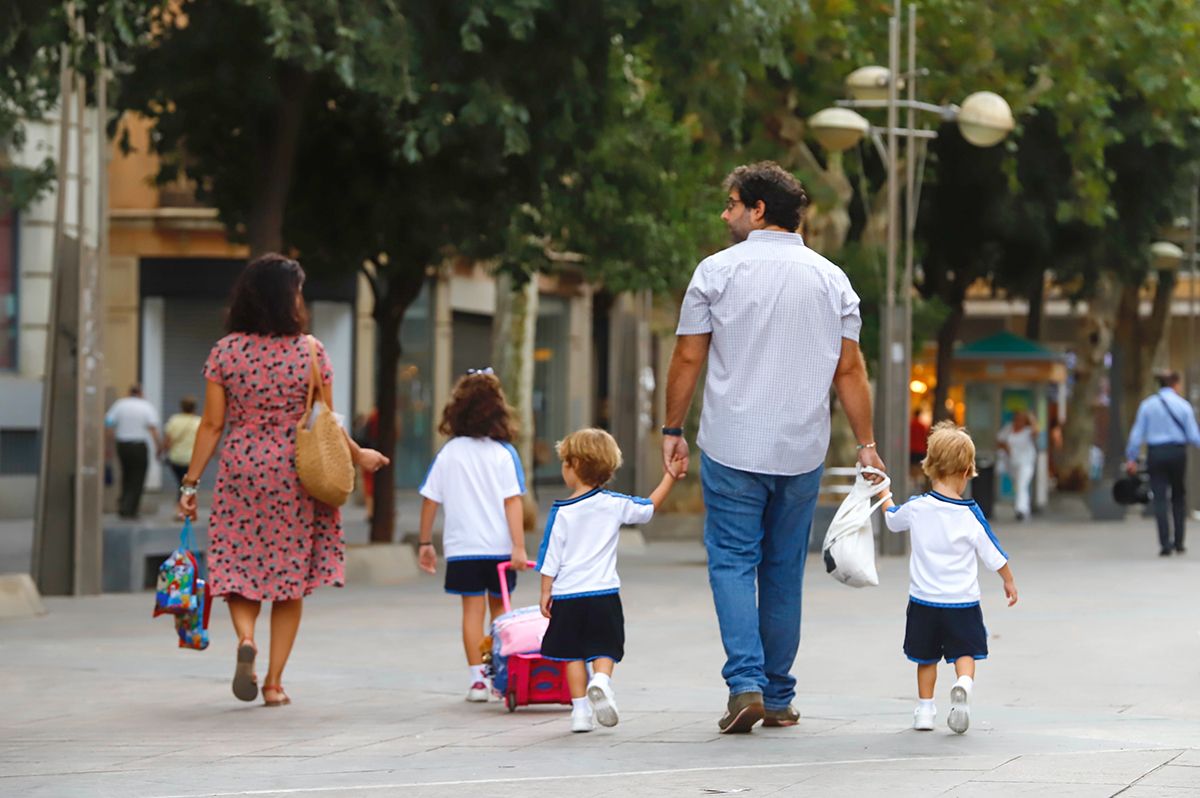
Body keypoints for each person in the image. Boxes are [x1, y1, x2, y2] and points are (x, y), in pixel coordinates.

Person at [663, 161, 884, 734]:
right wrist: (867, 443)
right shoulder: (833, 278)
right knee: (784, 570)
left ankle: (745, 684)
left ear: (758, 209)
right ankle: (780, 695)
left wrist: (672, 429)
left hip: (732, 444)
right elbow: (851, 369)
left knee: (734, 562)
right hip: (801, 450)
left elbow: (689, 356)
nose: (726, 213)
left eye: (732, 203)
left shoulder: (715, 272)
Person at [177, 254, 389, 708]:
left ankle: (245, 640)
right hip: (294, 472)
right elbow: (325, 420)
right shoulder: (310, 351)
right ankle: (273, 683)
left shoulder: (226, 351)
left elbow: (212, 425)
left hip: (240, 468)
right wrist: (359, 453)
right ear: (287, 298)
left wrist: (191, 484)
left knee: (237, 566)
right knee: (287, 580)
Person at [536, 428, 682, 733]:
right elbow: (648, 508)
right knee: (604, 646)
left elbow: (550, 555)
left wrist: (546, 590)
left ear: (573, 466)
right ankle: (601, 680)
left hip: (567, 596)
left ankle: (579, 714)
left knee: (572, 654)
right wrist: (670, 476)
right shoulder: (613, 503)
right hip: (603, 594)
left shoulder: (561, 512)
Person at [882, 421, 1018, 735]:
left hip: (924, 601)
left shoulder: (917, 508)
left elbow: (892, 520)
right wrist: (1008, 580)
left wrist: (884, 493)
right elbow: (993, 553)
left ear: (930, 465)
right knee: (965, 653)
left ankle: (925, 711)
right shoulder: (970, 514)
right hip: (963, 601)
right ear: (968, 469)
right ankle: (964, 685)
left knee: (925, 658)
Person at [416, 369, 528, 702]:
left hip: (462, 548)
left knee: (471, 612)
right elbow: (513, 503)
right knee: (501, 613)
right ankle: (500, 674)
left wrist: (425, 543)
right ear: (498, 411)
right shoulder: (504, 453)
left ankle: (476, 680)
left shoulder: (449, 453)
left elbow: (430, 500)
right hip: (499, 549)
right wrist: (519, 547)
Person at [1125, 370, 1200, 556]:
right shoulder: (1183, 406)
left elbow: (1137, 434)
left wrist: (1131, 458)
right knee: (1178, 496)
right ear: (1175, 384)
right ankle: (1179, 542)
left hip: (1156, 453)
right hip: (1177, 453)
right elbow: (1193, 435)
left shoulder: (1147, 406)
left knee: (1159, 497)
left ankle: (1165, 543)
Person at [105, 384, 164, 519]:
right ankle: (131, 509)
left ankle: (123, 506)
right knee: (138, 477)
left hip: (122, 445)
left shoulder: (119, 405)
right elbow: (153, 428)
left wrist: (108, 446)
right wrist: (158, 447)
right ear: (141, 393)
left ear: (129, 392)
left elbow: (109, 424)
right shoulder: (146, 406)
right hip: (138, 446)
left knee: (126, 475)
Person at [997, 410, 1038, 521]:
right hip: (1012, 463)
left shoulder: (1028, 431)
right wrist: (1006, 448)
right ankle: (1025, 508)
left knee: (1022, 484)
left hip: (1026, 463)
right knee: (1019, 486)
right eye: (1017, 419)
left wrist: (1032, 418)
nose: (1018, 422)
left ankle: (1021, 510)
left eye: (1021, 420)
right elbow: (999, 441)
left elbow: (1036, 431)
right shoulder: (1008, 428)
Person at [910, 408, 931, 487]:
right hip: (920, 449)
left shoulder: (911, 424)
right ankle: (918, 482)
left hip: (912, 448)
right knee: (919, 466)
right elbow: (924, 438)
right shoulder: (922, 426)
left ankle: (914, 481)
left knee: (912, 466)